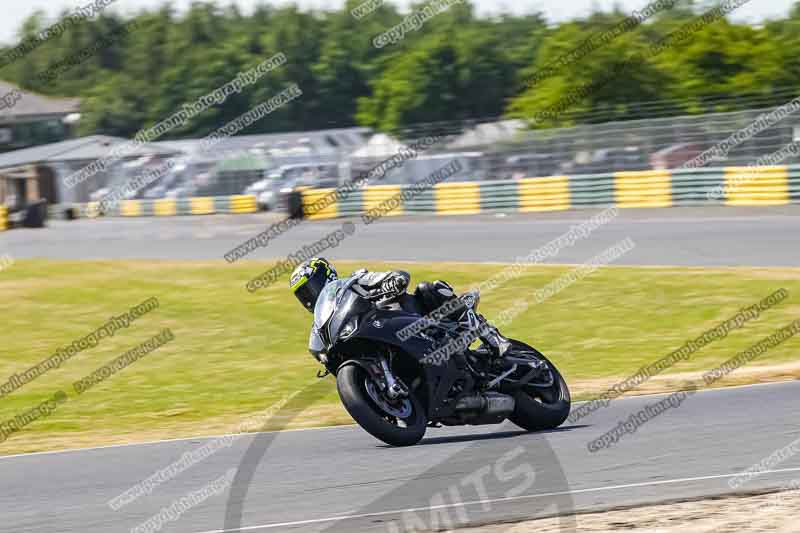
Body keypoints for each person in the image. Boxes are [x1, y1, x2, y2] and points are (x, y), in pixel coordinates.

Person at [289, 257, 510, 357]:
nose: (310, 296)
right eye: (303, 294)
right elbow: (320, 351)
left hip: (410, 318)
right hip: (388, 343)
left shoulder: (354, 282)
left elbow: (392, 276)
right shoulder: (321, 325)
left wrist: (391, 280)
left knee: (430, 289)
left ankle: (490, 335)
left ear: (326, 275)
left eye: (311, 287)